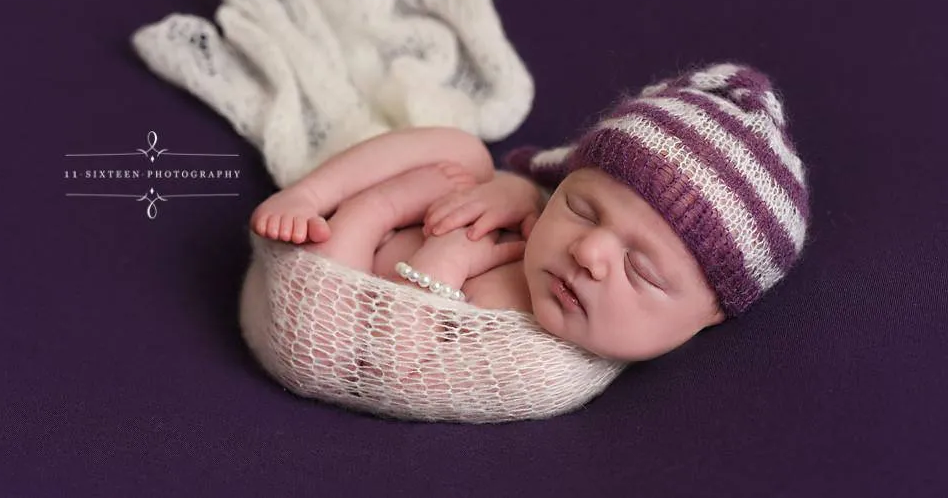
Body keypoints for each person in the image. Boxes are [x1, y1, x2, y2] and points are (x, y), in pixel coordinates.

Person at [250, 62, 810, 361]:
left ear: (709, 317)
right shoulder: (562, 266)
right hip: (359, 227)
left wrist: (424, 250)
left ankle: (359, 207)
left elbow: (387, 363)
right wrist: (521, 194)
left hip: (330, 304)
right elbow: (536, 200)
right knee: (463, 152)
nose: (587, 251)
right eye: (582, 208)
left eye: (640, 269)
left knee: (327, 312)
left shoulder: (541, 364)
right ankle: (310, 192)